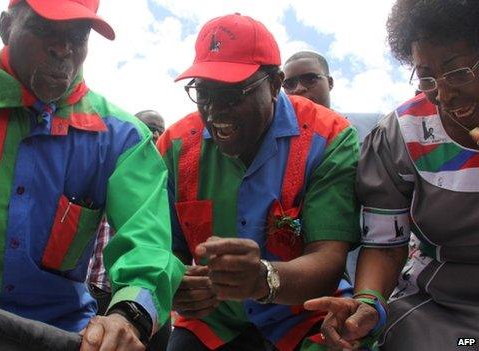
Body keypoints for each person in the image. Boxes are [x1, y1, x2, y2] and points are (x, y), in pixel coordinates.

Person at [0, 0, 184, 350]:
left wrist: (129, 313)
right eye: (44, 28)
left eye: (78, 34)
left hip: (60, 331)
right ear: (6, 27)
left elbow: (147, 240)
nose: (63, 48)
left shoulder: (123, 138)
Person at [158, 13, 360, 351]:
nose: (214, 111)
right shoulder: (175, 147)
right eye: (204, 93)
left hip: (304, 316)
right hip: (212, 323)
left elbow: (328, 256)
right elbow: (165, 248)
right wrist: (176, 279)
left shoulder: (329, 138)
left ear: (275, 84)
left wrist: (266, 279)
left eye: (233, 94)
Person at [304, 1, 479, 350]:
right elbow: (385, 246)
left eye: (459, 72)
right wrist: (369, 304)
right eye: (427, 76)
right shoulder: (401, 134)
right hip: (439, 305)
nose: (442, 94)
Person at [87, 108, 170, 350]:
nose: (153, 135)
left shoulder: (171, 183)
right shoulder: (108, 169)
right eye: (147, 128)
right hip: (98, 291)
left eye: (159, 130)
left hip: (150, 301)